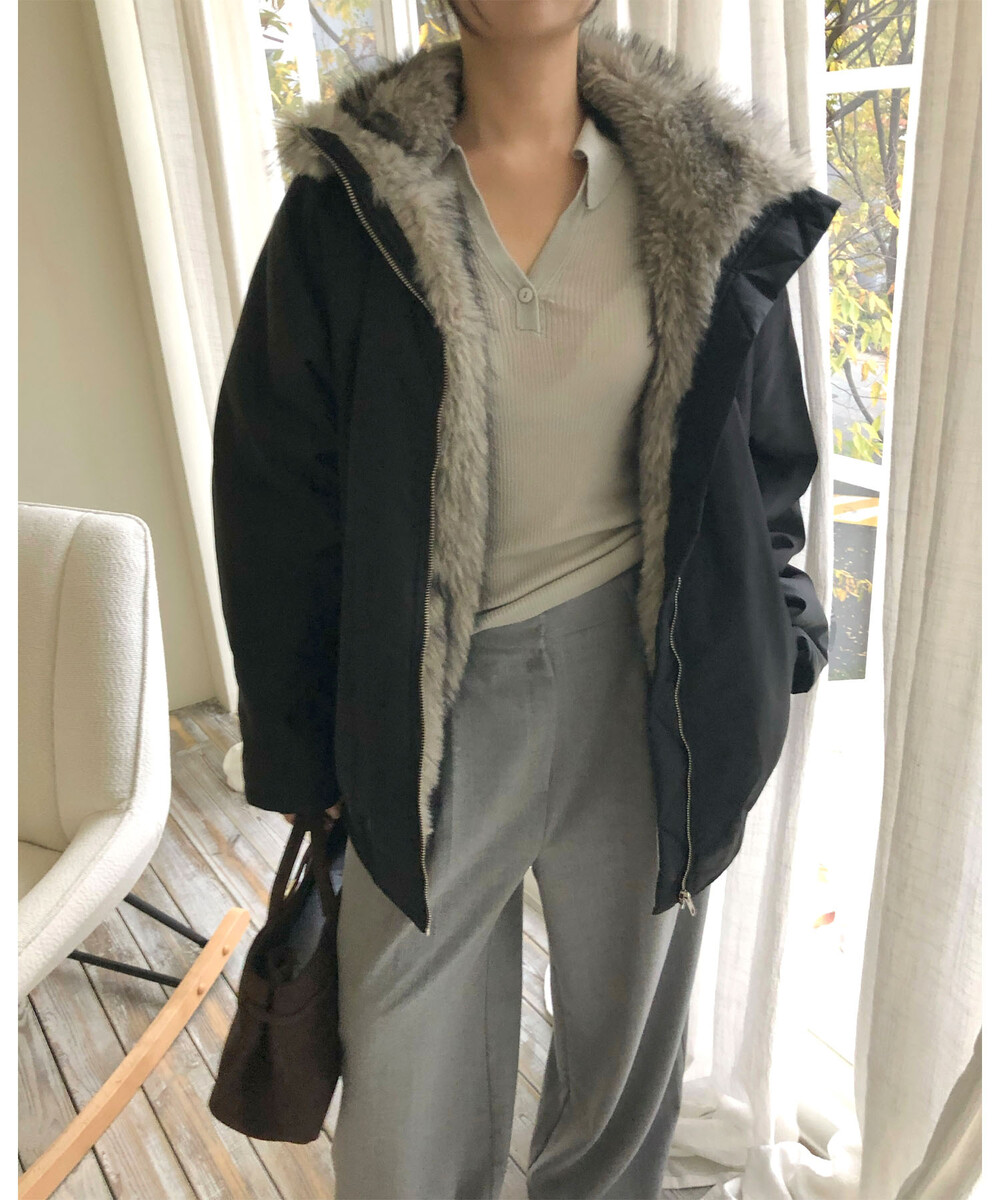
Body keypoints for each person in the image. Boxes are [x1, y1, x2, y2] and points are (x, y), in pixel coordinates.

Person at [211, 2, 840, 1196]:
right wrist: (303, 748)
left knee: (620, 1086)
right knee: (402, 1101)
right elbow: (273, 488)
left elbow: (763, 459)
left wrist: (779, 627)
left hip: (648, 692)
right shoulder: (349, 207)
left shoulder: (706, 193)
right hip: (431, 705)